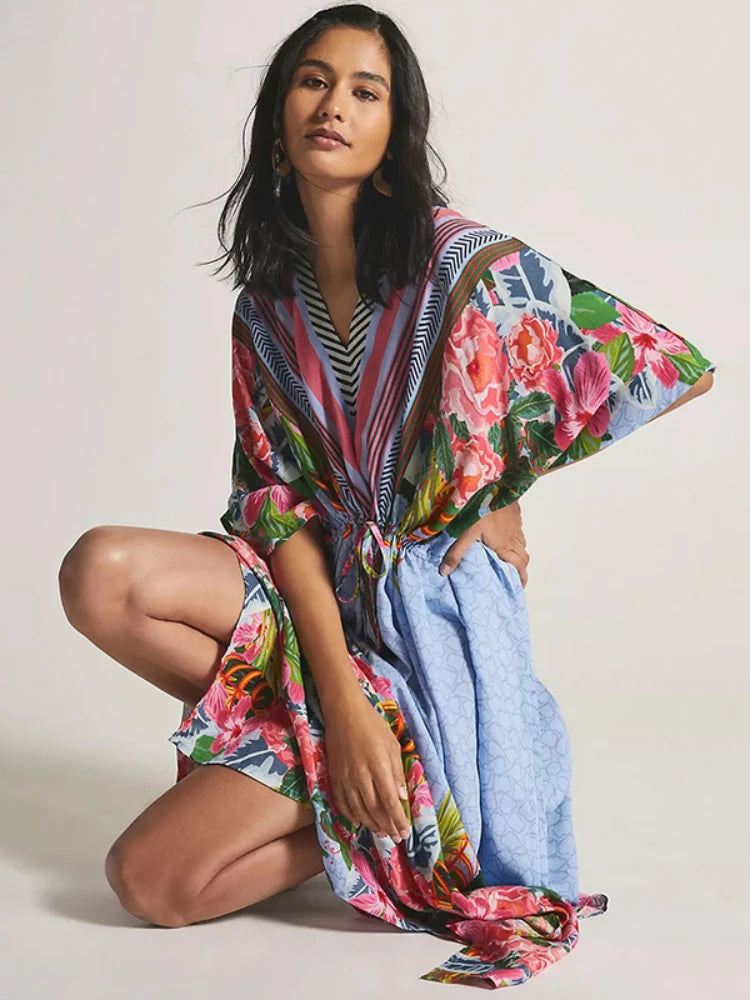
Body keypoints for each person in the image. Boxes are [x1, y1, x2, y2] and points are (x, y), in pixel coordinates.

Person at [57, 3, 716, 990]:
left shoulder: (463, 264)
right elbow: (275, 505)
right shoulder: (266, 304)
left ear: (395, 136)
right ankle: (346, 764)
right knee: (101, 571)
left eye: (367, 92)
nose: (335, 104)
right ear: (279, 112)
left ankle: (402, 808)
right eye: (313, 80)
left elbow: (660, 362)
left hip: (425, 631)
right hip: (322, 609)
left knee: (150, 882)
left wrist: (502, 479)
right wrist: (338, 695)